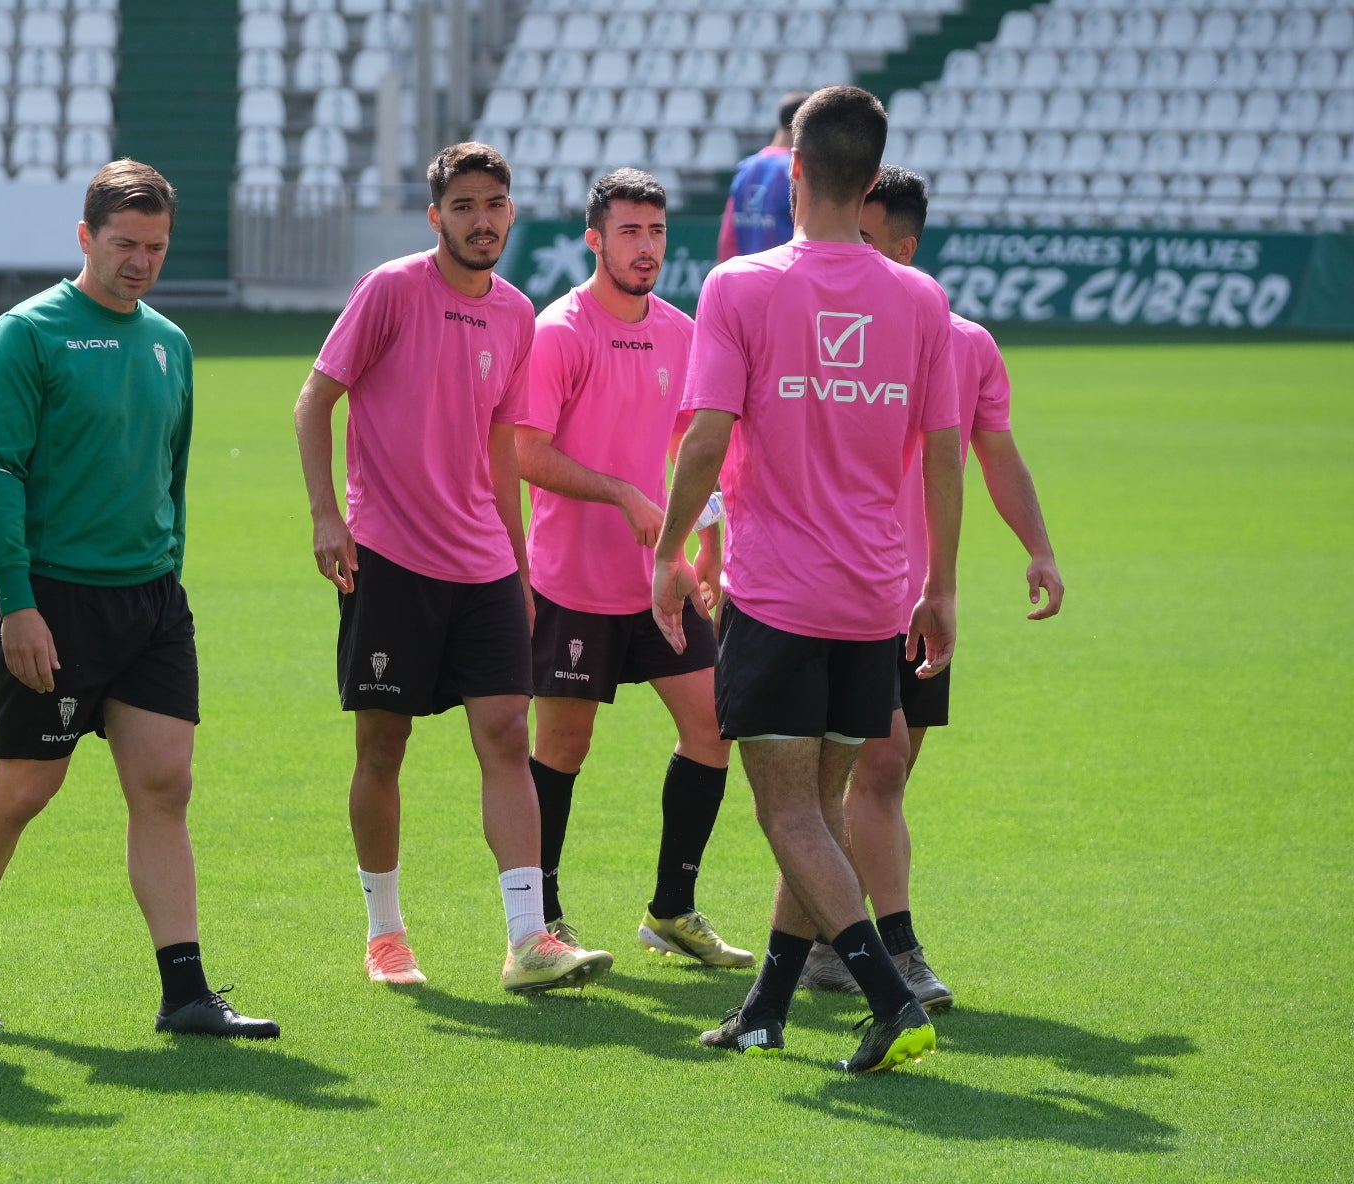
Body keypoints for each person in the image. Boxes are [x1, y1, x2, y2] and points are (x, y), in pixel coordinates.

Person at [0, 159, 277, 1040]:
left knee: (165, 786)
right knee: (24, 789)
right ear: (85, 238)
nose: (141, 262)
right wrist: (17, 602)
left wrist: (169, 572)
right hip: (54, 602)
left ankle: (185, 993)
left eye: (156, 247)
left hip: (152, 602)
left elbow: (173, 473)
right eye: (124, 245)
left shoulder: (170, 342)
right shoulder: (26, 335)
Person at [652, 86, 963, 1073]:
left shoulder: (740, 287)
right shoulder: (921, 299)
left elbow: (705, 439)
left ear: (791, 170)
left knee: (785, 810)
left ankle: (887, 996)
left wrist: (666, 551)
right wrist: (940, 586)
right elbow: (947, 454)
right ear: (872, 184)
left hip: (779, 592)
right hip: (876, 593)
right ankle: (766, 1005)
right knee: (817, 814)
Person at [293, 142, 615, 993]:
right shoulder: (393, 288)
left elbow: (503, 448)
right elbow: (314, 400)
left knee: (508, 734)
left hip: (483, 569)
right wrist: (329, 516)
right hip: (389, 559)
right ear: (436, 216)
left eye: (495, 205)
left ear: (512, 213)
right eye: (465, 206)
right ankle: (385, 933)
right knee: (382, 745)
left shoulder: (516, 315)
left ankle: (526, 940)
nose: (482, 220)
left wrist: (518, 566)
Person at [796, 164, 1066, 1009]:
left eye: (868, 238)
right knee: (875, 765)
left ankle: (819, 945)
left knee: (885, 773)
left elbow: (997, 453)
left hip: (922, 594)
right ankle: (896, 952)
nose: (849, 252)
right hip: (842, 587)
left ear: (905, 248)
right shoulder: (810, 316)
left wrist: (1039, 548)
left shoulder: (964, 343)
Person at [516, 168, 751, 968]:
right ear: (595, 239)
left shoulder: (682, 332)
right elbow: (525, 452)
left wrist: (704, 541)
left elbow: (690, 451)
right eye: (629, 232)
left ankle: (672, 910)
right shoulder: (560, 331)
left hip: (664, 581)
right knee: (565, 745)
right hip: (574, 584)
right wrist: (618, 492)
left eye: (655, 232)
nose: (646, 247)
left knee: (713, 726)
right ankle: (542, 918)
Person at [717, 90, 811, 262]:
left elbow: (728, 238)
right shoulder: (799, 169)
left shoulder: (745, 168)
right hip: (786, 278)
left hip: (746, 280)